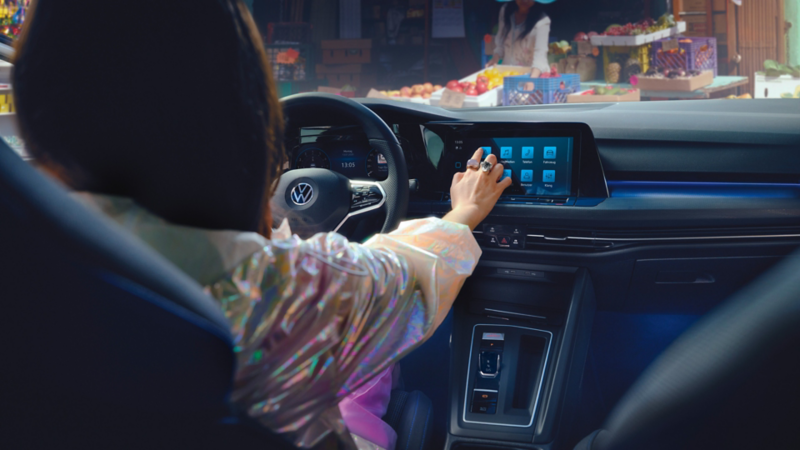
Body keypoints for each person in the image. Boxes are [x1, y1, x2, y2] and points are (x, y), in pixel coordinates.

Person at [11, 1, 511, 449]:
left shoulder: (26, 255)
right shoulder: (279, 288)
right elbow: (410, 278)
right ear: (239, 130)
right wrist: (463, 211)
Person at [485, 0, 554, 77]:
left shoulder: (543, 21)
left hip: (532, 76)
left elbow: (540, 57)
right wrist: (495, 58)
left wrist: (532, 81)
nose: (525, 0)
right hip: (507, 76)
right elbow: (501, 42)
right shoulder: (505, 11)